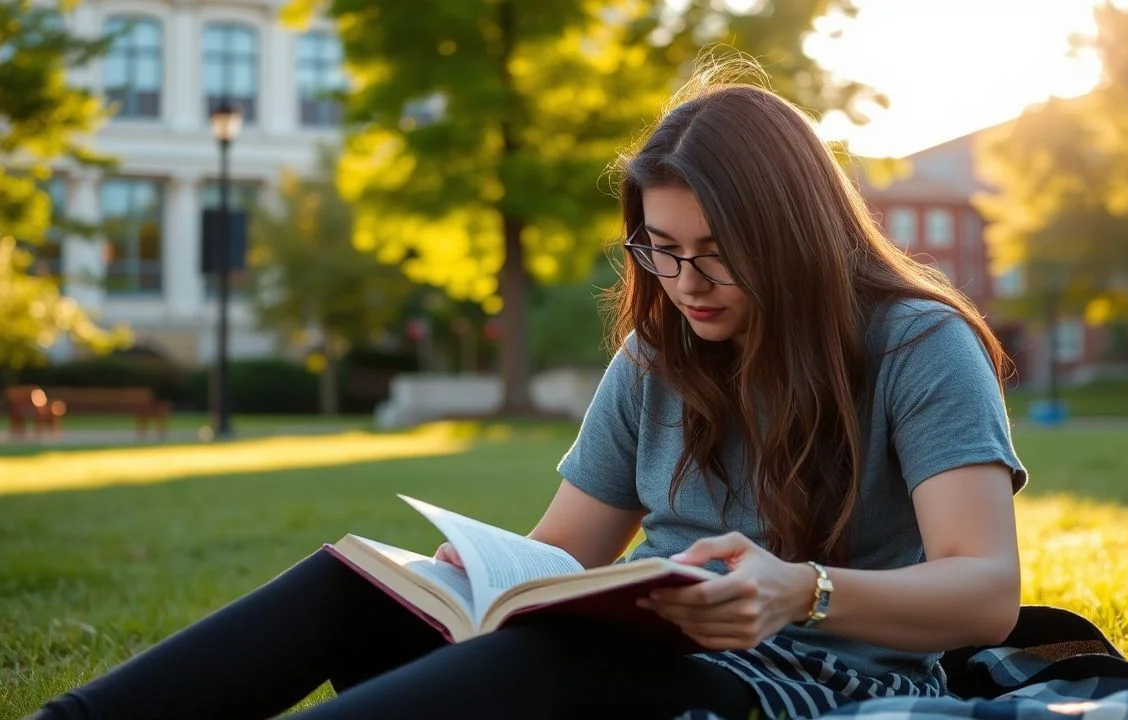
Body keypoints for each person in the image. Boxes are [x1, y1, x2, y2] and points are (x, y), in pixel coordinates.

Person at [29, 67, 1026, 720]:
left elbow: (983, 592)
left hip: (817, 676)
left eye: (717, 256)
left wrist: (796, 591)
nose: (685, 284)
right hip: (637, 653)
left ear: (795, 233)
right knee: (355, 581)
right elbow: (565, 552)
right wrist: (477, 572)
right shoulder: (659, 353)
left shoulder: (914, 341)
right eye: (661, 251)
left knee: (558, 666)